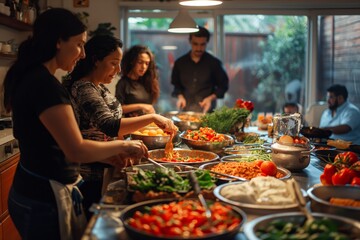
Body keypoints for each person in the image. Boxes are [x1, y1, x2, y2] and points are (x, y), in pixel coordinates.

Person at [2, 8, 151, 240]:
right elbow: (76, 148)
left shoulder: (35, 78)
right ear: (59, 42)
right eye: (79, 44)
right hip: (42, 197)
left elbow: (56, 144)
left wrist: (106, 154)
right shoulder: (45, 86)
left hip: (33, 190)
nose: (83, 54)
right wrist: (123, 147)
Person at [63, 35, 177, 220]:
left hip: (103, 165)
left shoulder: (98, 87)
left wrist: (116, 151)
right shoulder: (84, 88)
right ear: (96, 61)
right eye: (113, 63)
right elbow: (109, 125)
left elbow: (109, 126)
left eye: (119, 64)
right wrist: (153, 117)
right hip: (88, 175)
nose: (118, 70)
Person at [171, 26, 229, 113]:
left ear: (207, 42)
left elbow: (223, 86)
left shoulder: (214, 63)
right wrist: (180, 97)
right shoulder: (180, 63)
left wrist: (210, 99)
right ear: (190, 41)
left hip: (208, 112)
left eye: (202, 44)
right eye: (195, 44)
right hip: (186, 112)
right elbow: (176, 85)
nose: (199, 48)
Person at [115, 45, 160, 117]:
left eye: (147, 63)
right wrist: (141, 106)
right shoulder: (123, 83)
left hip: (147, 122)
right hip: (132, 124)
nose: (144, 67)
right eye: (140, 62)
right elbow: (118, 108)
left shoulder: (148, 81)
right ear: (132, 62)